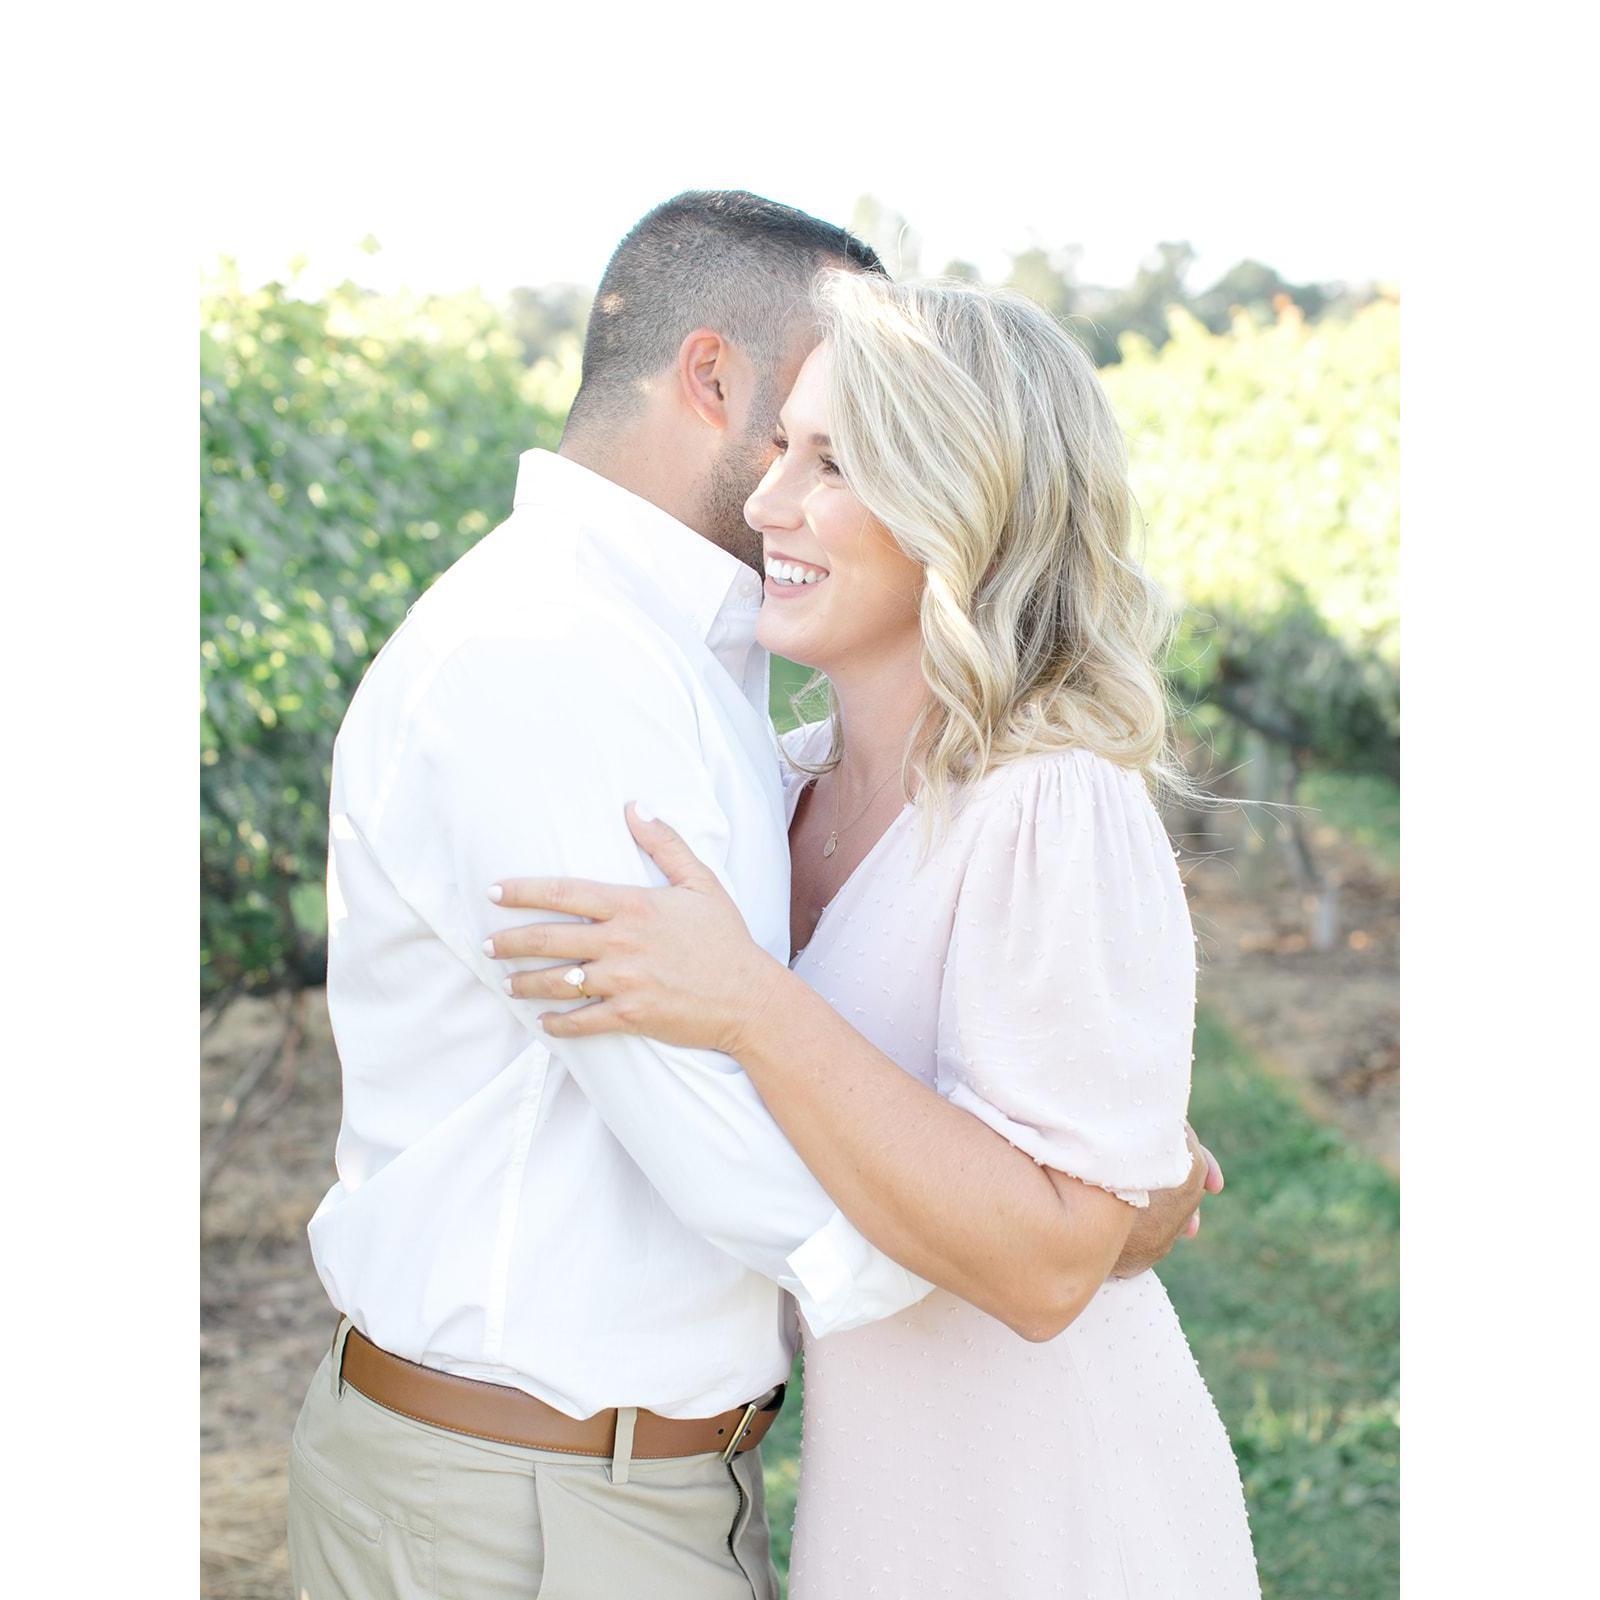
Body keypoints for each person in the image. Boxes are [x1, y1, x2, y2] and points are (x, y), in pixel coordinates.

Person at [289, 193, 1215, 1600]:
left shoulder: (982, 781)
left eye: (830, 458)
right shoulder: (580, 665)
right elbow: (741, 1150)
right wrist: (1079, 1226)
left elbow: (943, 1117)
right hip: (555, 1494)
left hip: (1008, 1489)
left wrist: (1071, 1200)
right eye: (782, 440)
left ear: (959, 499)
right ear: (712, 379)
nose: (778, 497)